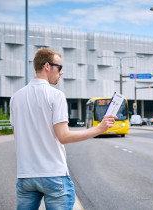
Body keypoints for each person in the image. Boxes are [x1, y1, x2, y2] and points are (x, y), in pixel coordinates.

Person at [10, 47, 116, 210]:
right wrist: (99, 129)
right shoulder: (55, 95)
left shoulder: (16, 97)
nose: (61, 72)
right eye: (59, 68)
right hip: (53, 175)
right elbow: (64, 136)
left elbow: (18, 136)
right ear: (47, 66)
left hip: (25, 177)